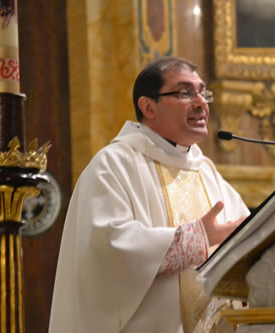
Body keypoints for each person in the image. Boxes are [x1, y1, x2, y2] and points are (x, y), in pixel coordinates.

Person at [48, 56, 249, 332]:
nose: (201, 103)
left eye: (203, 92)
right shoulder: (114, 165)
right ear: (148, 107)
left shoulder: (206, 171)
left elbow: (247, 231)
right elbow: (108, 250)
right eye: (185, 93)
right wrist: (195, 239)